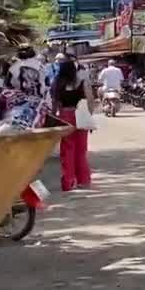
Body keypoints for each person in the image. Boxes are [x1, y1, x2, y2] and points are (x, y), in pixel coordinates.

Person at [51, 57, 96, 191]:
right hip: (81, 116)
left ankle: (68, 181)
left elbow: (55, 104)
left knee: (67, 150)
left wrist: (54, 119)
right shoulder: (82, 82)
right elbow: (90, 101)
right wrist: (89, 117)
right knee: (81, 150)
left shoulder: (57, 83)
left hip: (65, 117)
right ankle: (84, 180)